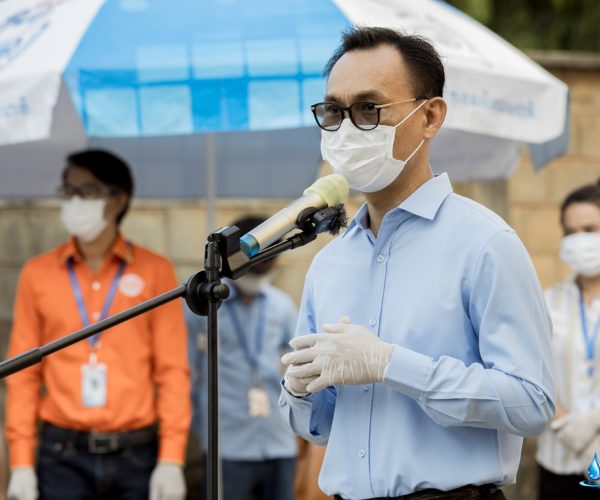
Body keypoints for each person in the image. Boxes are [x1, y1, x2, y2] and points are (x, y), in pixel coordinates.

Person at [279, 26, 556, 500]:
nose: (347, 129)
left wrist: (392, 364)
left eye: (369, 109)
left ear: (430, 116)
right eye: (334, 111)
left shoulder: (484, 243)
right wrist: (299, 391)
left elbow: (532, 402)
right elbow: (319, 429)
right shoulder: (330, 262)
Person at [5, 149, 191, 500]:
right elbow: (22, 374)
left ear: (117, 200)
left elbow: (172, 370)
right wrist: (21, 462)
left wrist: (172, 457)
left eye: (86, 192)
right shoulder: (37, 273)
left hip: (137, 454)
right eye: (67, 191)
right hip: (62, 455)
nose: (73, 201)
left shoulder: (155, 271)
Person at [186, 215, 298, 500]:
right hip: (227, 443)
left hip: (278, 438)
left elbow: (296, 363)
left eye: (265, 272)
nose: (258, 279)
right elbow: (188, 371)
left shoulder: (282, 306)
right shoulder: (207, 307)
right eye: (254, 271)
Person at [535, 179, 600, 499]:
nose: (580, 241)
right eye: (571, 232)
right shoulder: (547, 301)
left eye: (590, 230)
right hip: (558, 459)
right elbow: (533, 369)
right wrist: (565, 425)